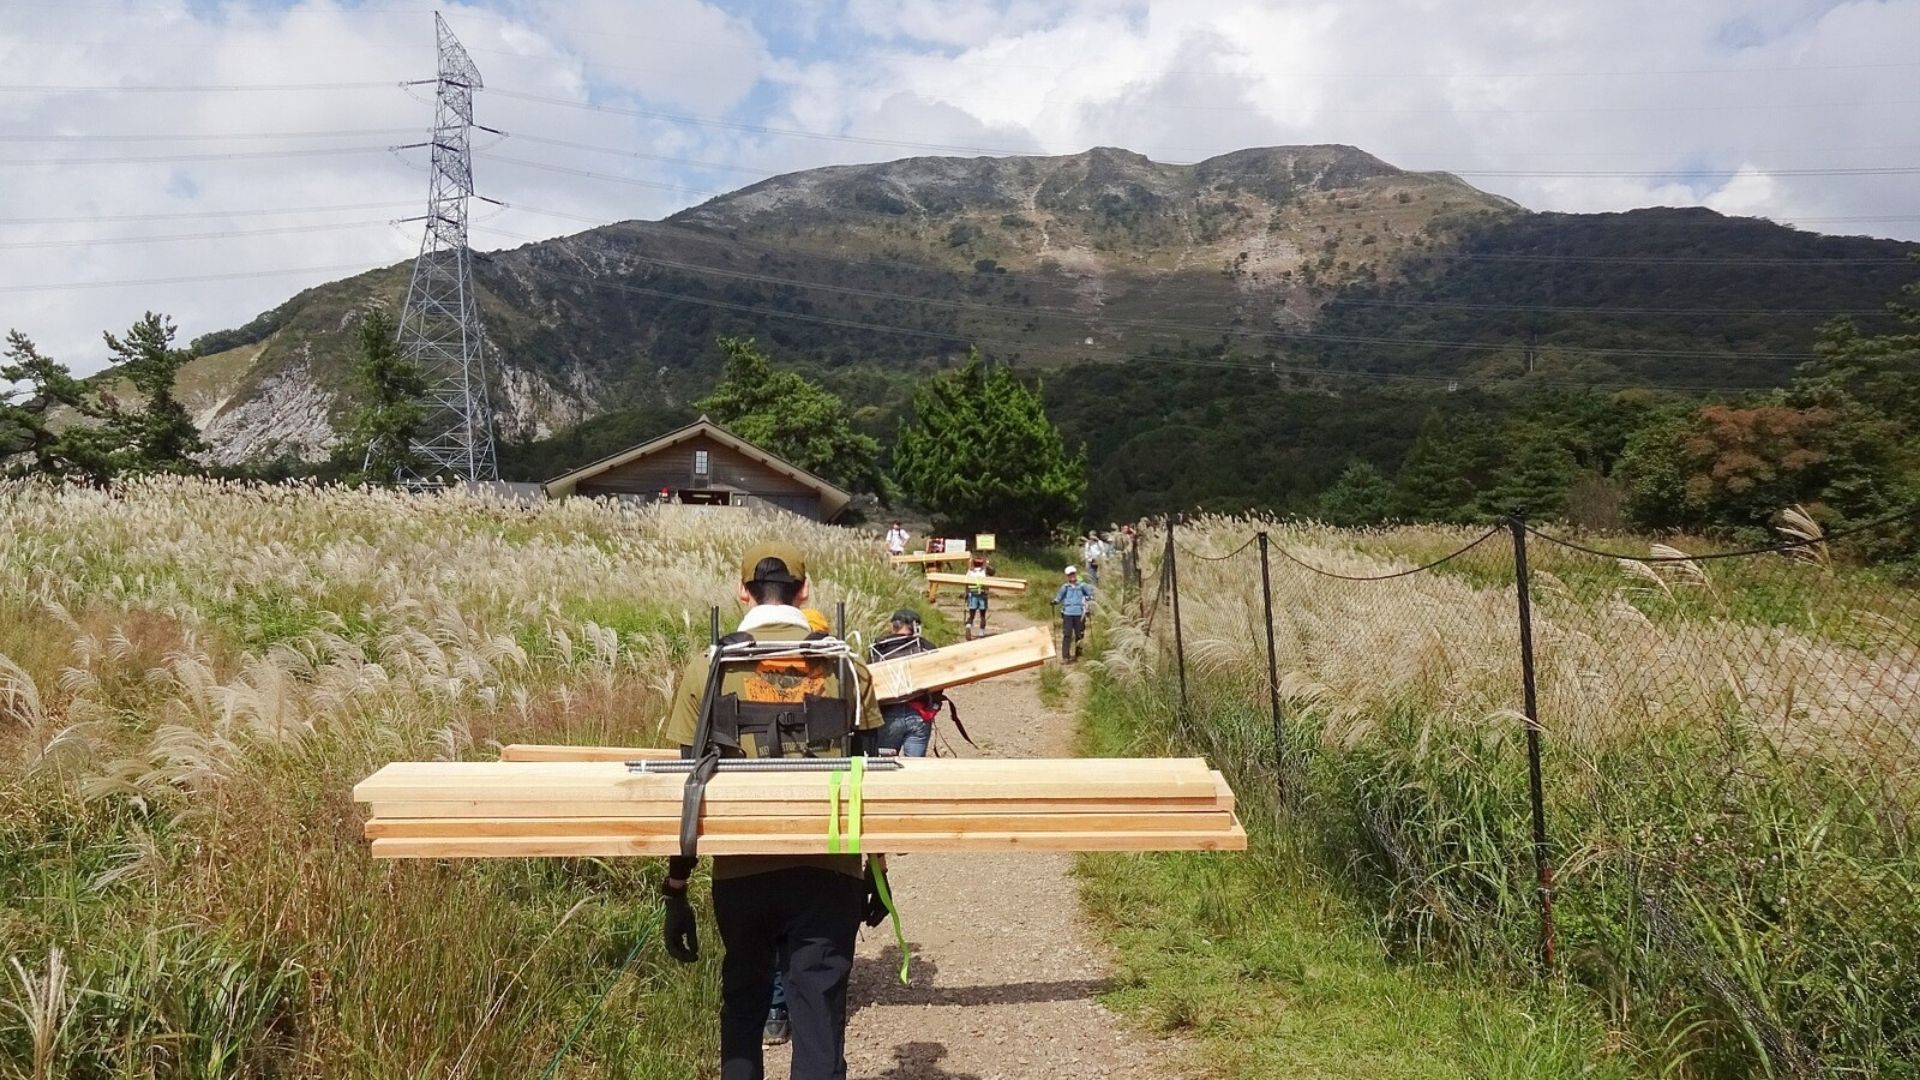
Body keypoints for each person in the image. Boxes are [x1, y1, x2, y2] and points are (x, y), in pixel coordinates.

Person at [659, 541, 889, 1080]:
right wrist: (876, 872)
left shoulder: (709, 667)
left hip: (742, 870)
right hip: (829, 868)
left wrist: (676, 885)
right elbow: (873, 785)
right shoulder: (847, 668)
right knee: (818, 1012)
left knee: (743, 1004)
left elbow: (688, 792)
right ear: (804, 592)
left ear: (743, 593)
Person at [870, 609, 940, 757]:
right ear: (916, 627)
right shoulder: (927, 648)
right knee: (914, 769)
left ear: (892, 626)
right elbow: (939, 680)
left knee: (884, 765)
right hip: (919, 714)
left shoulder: (878, 649)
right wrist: (934, 705)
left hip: (887, 714)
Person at [1052, 564, 1096, 662]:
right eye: (1069, 574)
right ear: (1067, 576)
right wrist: (1055, 601)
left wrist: (1088, 599)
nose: (1072, 576)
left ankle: (1078, 655)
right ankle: (1065, 657)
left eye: (1073, 574)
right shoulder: (1065, 587)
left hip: (1080, 613)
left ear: (1075, 574)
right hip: (1068, 613)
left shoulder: (1082, 585)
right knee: (1067, 634)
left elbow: (1091, 595)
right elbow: (1059, 597)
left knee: (1079, 634)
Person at [962, 554, 991, 640]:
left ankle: (968, 625)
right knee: (982, 615)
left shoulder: (970, 572)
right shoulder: (984, 572)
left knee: (972, 615)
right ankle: (981, 633)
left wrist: (966, 593)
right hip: (982, 594)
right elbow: (988, 583)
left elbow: (966, 584)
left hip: (972, 594)